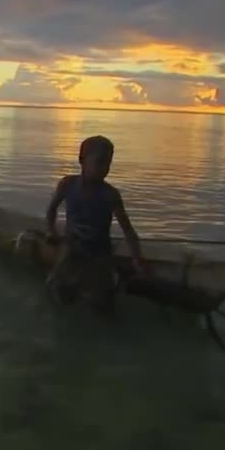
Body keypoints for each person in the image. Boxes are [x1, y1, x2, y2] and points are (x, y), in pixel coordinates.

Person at [44, 135, 148, 316]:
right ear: (81, 160)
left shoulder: (110, 195)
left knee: (103, 307)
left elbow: (128, 230)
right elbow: (51, 210)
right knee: (60, 295)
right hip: (71, 250)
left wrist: (137, 258)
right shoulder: (67, 184)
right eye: (99, 162)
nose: (104, 169)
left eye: (108, 163)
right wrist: (51, 232)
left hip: (98, 255)